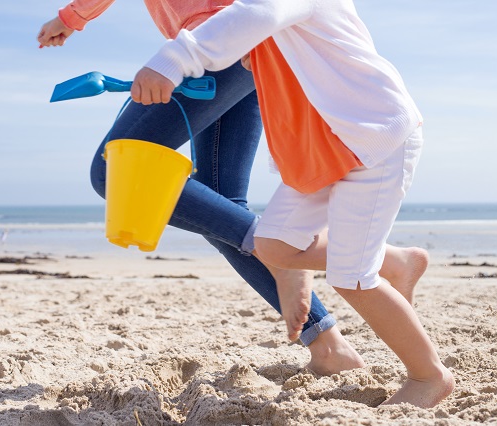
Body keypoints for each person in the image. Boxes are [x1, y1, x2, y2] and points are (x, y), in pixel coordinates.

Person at [37, 1, 431, 378]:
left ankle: (278, 256)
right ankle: (336, 330)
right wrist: (72, 18)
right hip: (252, 48)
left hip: (223, 37)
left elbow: (261, 10)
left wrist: (77, 20)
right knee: (221, 203)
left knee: (114, 170)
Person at [127, 0, 454, 408]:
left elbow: (255, 15)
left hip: (372, 141)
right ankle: (398, 262)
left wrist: (173, 58)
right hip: (320, 149)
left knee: (351, 276)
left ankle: (429, 375)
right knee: (274, 246)